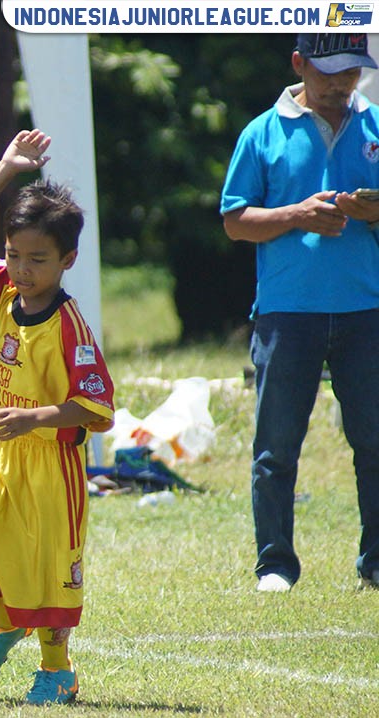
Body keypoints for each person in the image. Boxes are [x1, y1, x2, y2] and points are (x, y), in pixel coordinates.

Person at [0, 129, 115, 706]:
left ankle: (57, 670)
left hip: (47, 462)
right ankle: (3, 623)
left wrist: (33, 417)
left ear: (67, 260)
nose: (20, 268)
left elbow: (96, 408)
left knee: (43, 571)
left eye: (37, 259)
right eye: (13, 254)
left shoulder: (71, 326)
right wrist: (7, 168)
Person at [221, 33, 379, 593]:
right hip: (287, 312)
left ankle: (375, 563)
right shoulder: (262, 132)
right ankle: (275, 565)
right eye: (330, 71)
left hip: (367, 309)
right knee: (276, 447)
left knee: (374, 440)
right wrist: (296, 214)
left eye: (352, 71)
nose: (342, 84)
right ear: (299, 64)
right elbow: (235, 221)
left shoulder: (375, 124)